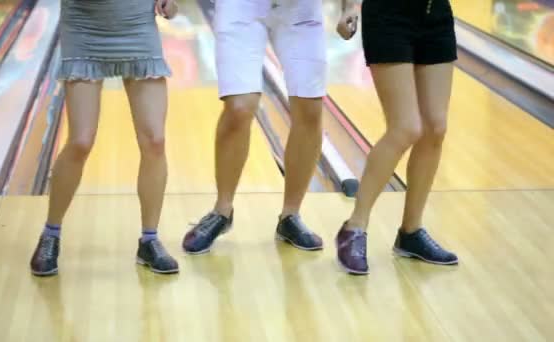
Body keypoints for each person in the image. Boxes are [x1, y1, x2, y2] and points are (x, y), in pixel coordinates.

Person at [30, 0, 180, 276]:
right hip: (84, 27)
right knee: (80, 142)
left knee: (155, 141)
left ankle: (150, 239)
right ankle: (50, 233)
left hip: (137, 26)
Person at [182, 0, 326, 254]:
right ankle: (222, 211)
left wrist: (349, 6)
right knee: (239, 107)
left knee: (310, 109)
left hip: (301, 9)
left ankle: (291, 216)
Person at [335, 0, 459, 274]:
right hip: (388, 16)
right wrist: (349, 8)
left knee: (435, 127)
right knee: (405, 127)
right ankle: (355, 227)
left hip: (435, 13)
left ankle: (411, 232)